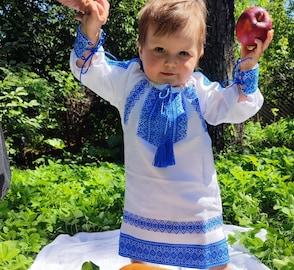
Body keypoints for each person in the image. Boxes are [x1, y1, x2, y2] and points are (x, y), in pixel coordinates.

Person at [61, 0, 273, 269]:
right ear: (141, 47)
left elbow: (236, 104)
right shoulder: (128, 81)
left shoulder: (199, 90)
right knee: (142, 262)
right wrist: (90, 28)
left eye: (184, 54)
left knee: (215, 263)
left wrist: (248, 64)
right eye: (159, 49)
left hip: (195, 203)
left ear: (199, 55)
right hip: (146, 202)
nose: (170, 62)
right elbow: (88, 68)